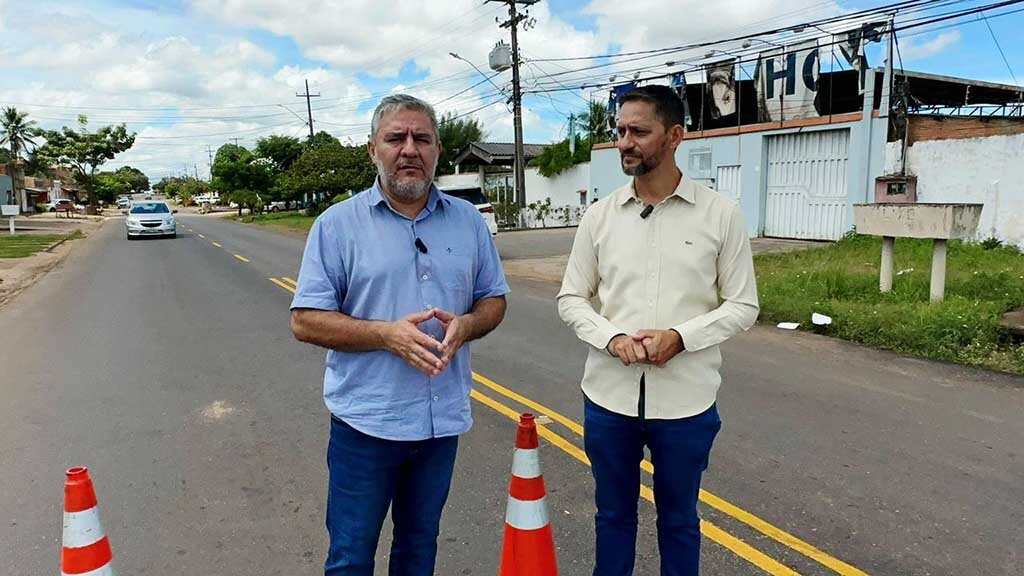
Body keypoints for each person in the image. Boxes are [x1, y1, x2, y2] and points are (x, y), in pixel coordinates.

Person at [289, 94, 509, 576]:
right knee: (351, 555)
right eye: (396, 138)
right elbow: (305, 319)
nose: (409, 149)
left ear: (437, 150)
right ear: (373, 150)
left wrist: (468, 324)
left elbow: (494, 299)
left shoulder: (469, 222)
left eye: (422, 138)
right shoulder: (337, 226)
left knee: (418, 549)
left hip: (439, 424)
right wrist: (386, 335)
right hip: (366, 425)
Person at [557, 85, 759, 576]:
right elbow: (570, 298)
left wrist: (681, 337)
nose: (625, 142)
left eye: (639, 131)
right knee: (613, 517)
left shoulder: (719, 214)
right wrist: (611, 338)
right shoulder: (600, 216)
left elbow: (743, 305)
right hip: (609, 399)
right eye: (620, 131)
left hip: (686, 404)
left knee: (680, 521)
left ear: (674, 136)